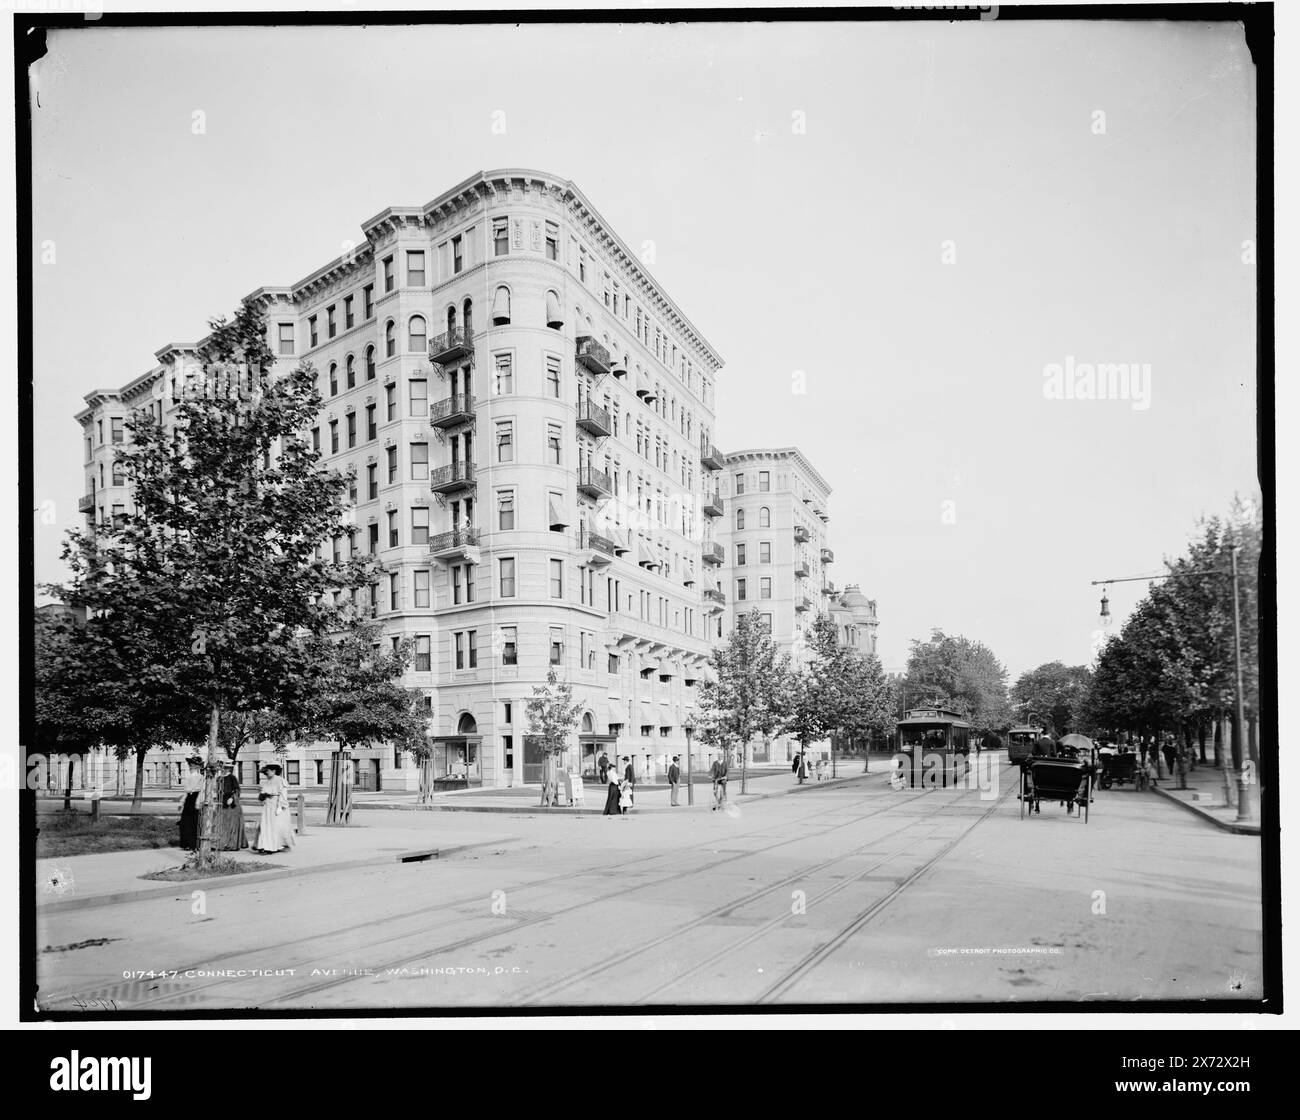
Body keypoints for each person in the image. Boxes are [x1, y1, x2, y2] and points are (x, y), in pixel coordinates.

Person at [254, 763, 296, 854]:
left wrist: (281, 807)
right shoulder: (266, 782)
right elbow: (262, 795)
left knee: (274, 826)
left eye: (268, 771)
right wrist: (262, 795)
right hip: (267, 806)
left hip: (276, 805)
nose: (266, 773)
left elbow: (283, 795)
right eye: (266, 771)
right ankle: (263, 845)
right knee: (265, 825)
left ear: (274, 770)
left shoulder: (280, 780)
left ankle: (272, 847)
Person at [212, 760, 248, 851]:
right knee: (220, 822)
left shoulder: (232, 777)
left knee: (231, 823)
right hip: (221, 802)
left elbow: (237, 789)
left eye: (228, 767)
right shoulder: (219, 778)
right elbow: (217, 790)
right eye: (224, 767)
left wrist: (232, 798)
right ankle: (220, 842)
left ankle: (231, 843)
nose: (226, 769)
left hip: (231, 803)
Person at [178, 756, 204, 851]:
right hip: (189, 799)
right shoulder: (188, 777)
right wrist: (181, 802)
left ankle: (195, 844)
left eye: (192, 766)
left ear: (197, 767)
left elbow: (201, 790)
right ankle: (187, 843)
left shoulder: (201, 777)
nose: (190, 768)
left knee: (195, 822)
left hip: (196, 798)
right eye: (190, 766)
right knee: (186, 822)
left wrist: (198, 802)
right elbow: (186, 791)